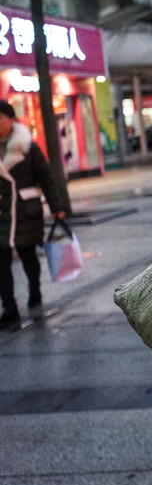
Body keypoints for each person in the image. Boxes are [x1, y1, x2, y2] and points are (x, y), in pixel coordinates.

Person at [0, 101, 66, 329]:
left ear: (11, 119)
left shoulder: (28, 146)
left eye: (0, 118)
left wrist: (57, 206)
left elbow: (46, 178)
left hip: (26, 212)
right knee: (2, 263)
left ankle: (35, 290)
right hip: (2, 215)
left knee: (28, 257)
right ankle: (9, 308)